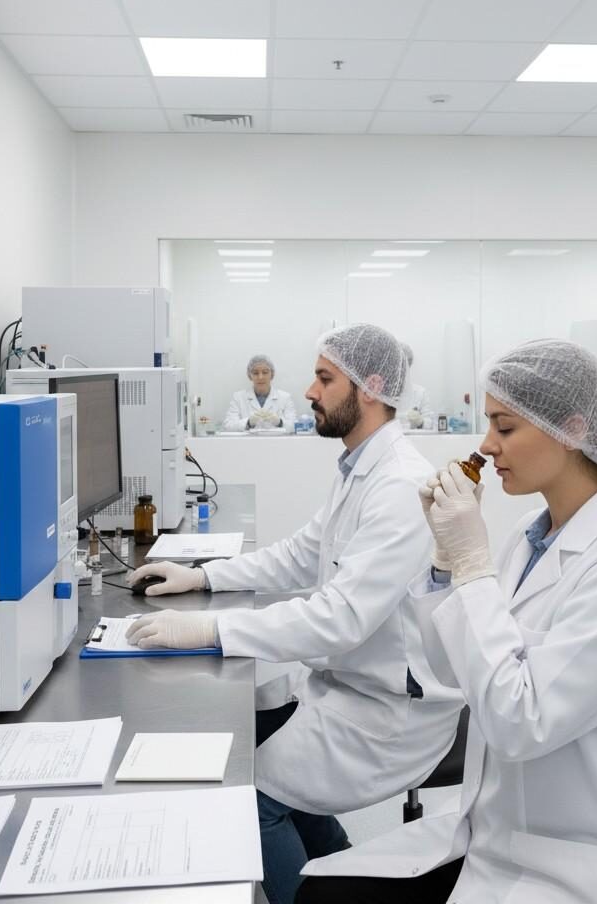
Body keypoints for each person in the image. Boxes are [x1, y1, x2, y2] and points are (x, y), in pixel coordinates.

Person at [299, 339, 597, 904]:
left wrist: (473, 569)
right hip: (499, 835)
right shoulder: (529, 537)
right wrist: (442, 568)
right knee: (321, 892)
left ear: (572, 428)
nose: (486, 446)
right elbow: (452, 669)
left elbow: (519, 721)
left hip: (588, 863)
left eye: (504, 428)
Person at [127, 323, 464, 904]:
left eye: (325, 379)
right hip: (349, 688)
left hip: (391, 714)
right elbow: (301, 554)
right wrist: (204, 576)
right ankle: (333, 879)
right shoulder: (358, 469)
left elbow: (338, 619)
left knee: (251, 797)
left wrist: (210, 628)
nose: (309, 391)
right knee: (273, 767)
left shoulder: (398, 486)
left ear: (371, 389)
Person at [222, 354, 297, 432]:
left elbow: (294, 426)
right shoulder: (238, 397)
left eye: (265, 372)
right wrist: (248, 423)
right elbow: (228, 426)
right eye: (255, 373)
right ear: (249, 376)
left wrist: (280, 422)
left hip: (276, 443)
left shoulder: (285, 397)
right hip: (247, 443)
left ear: (272, 375)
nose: (260, 377)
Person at [400, 342, 434, 430]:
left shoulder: (420, 392)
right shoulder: (382, 392)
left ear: (409, 365)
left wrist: (421, 421)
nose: (400, 369)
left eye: (404, 365)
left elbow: (430, 423)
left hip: (414, 441)